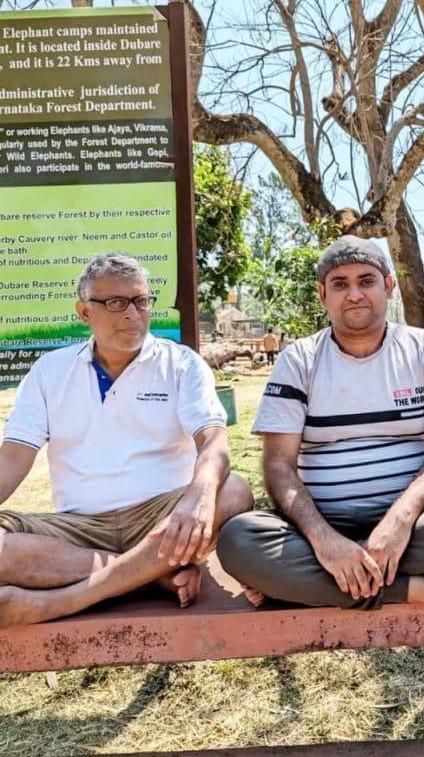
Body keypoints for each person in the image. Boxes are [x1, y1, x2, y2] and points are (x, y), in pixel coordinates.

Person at [217, 235, 424, 636]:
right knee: (238, 541)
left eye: (366, 281)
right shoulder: (298, 359)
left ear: (388, 286)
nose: (354, 294)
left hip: (412, 526)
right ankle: (416, 588)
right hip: (318, 525)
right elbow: (278, 463)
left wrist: (398, 523)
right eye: (340, 284)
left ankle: (313, 582)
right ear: (323, 295)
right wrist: (324, 541)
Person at [0, 253, 253, 628]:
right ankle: (148, 575)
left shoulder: (182, 364)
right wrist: (154, 564)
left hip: (163, 520)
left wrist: (200, 493)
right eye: (116, 303)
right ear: (84, 313)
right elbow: (13, 459)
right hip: (79, 529)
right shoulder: (50, 372)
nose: (133, 314)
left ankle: (67, 600)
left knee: (232, 490)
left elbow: (212, 439)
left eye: (141, 301)